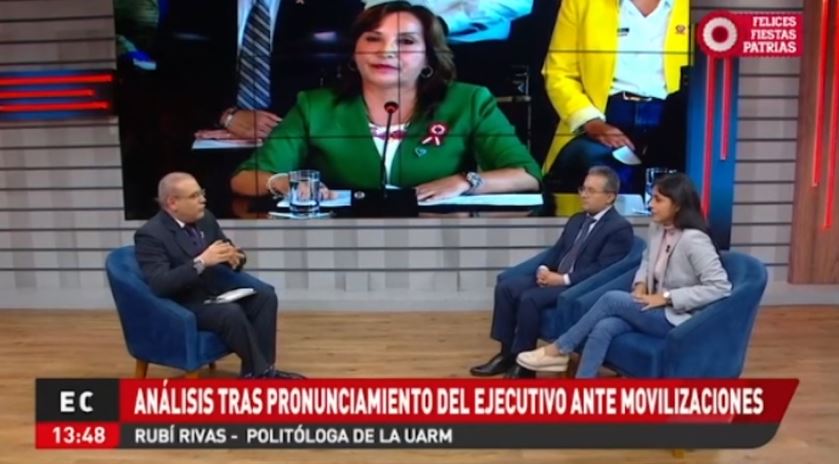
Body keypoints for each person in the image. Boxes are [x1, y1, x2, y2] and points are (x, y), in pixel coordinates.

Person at [230, 1, 541, 201]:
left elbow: (526, 175)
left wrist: (465, 182)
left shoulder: (469, 101)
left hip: (441, 242)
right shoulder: (315, 105)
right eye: (372, 39)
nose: (386, 51)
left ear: (429, 56)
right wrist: (283, 183)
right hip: (341, 244)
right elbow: (244, 178)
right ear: (355, 51)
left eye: (405, 41)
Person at [516, 173, 731, 378]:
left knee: (612, 299)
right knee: (604, 327)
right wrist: (639, 284)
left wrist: (666, 297)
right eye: (651, 198)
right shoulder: (658, 228)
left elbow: (720, 287)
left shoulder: (694, 240)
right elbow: (647, 260)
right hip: (652, 307)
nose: (651, 205)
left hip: (679, 317)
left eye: (658, 200)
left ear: (677, 205)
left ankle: (559, 349)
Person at [134, 172, 304, 379]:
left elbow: (227, 249)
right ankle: (263, 374)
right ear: (172, 203)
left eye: (201, 193)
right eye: (194, 196)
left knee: (265, 296)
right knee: (230, 313)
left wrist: (235, 257)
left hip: (215, 290)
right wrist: (201, 262)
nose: (203, 200)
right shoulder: (151, 235)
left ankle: (257, 371)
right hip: (183, 303)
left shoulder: (205, 218)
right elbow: (160, 284)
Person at [470, 166, 634, 378]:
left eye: (591, 191)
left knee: (530, 298)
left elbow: (603, 270)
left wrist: (563, 279)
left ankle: (524, 364)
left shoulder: (619, 228)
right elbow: (557, 251)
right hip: (555, 276)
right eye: (583, 189)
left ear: (610, 197)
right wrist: (544, 269)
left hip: (579, 287)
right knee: (506, 287)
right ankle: (506, 354)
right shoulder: (577, 219)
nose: (583, 195)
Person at [540, 0, 690, 208]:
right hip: (602, 119)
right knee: (604, 174)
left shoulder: (695, 7)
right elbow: (559, 74)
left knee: (678, 183)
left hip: (673, 120)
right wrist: (591, 122)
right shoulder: (582, 4)